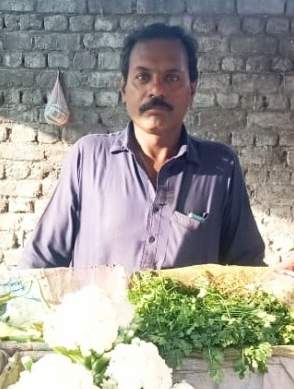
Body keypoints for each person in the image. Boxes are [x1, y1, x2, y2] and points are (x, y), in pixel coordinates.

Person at [17, 22, 266, 274]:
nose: (156, 90)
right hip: (99, 314)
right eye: (142, 77)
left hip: (187, 315)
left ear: (192, 90)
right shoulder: (89, 157)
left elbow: (247, 267)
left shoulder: (220, 167)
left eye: (172, 78)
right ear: (124, 88)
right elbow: (41, 263)